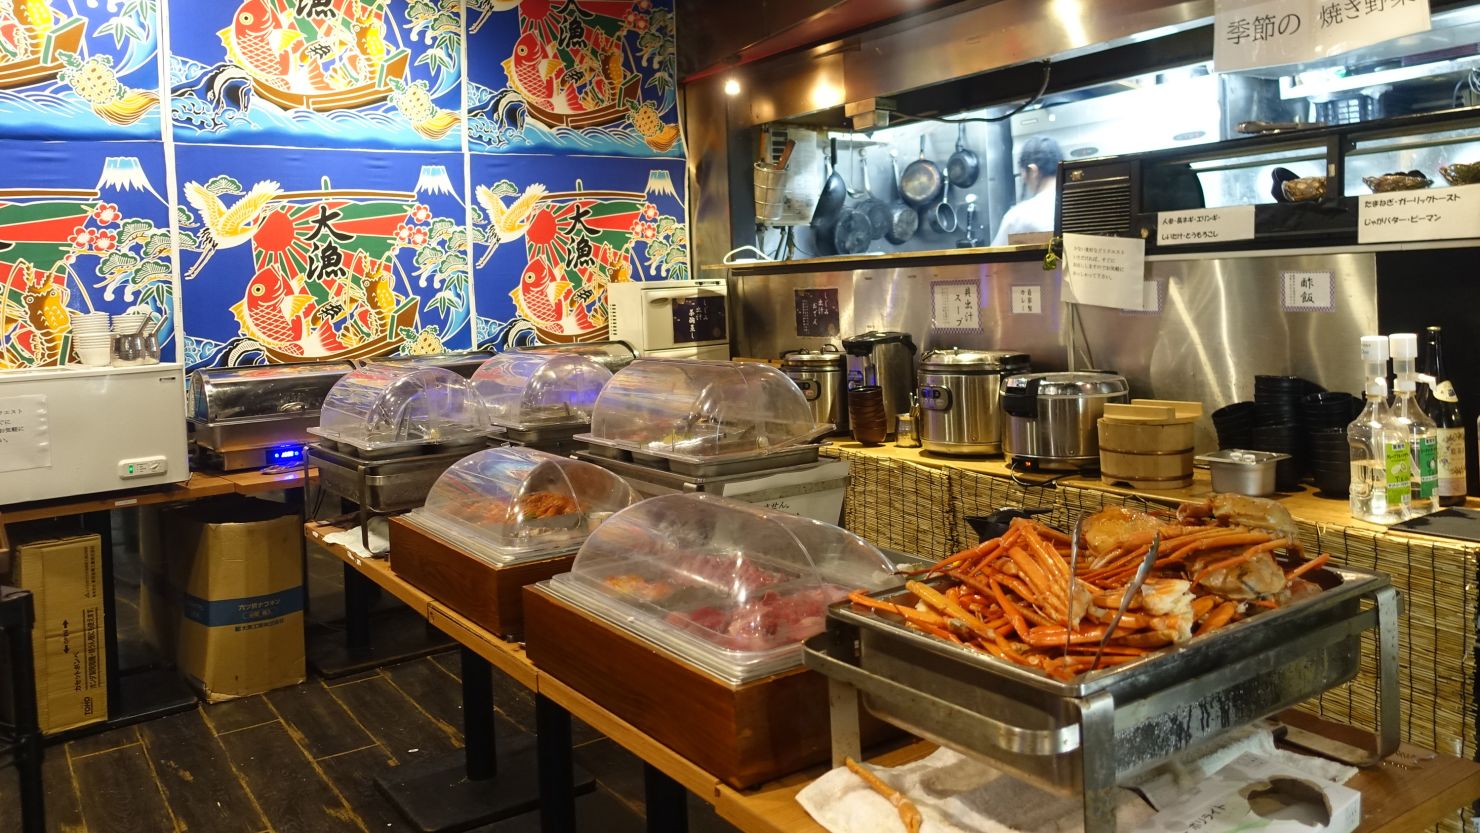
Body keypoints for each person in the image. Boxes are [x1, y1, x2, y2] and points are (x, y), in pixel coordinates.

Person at [991, 136, 1063, 246]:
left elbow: (993, 260)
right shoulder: (1077, 208)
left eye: (1023, 174)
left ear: (1033, 170)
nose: (1024, 179)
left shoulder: (1019, 217)